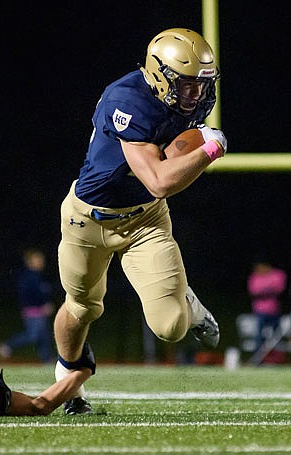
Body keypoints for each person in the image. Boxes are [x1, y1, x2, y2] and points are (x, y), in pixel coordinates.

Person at [53, 28, 226, 415]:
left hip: (145, 221)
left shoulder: (190, 103)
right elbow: (160, 179)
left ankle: (188, 303)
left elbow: (171, 159)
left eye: (201, 85)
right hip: (88, 219)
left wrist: (193, 144)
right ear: (159, 75)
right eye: (185, 85)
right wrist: (212, 147)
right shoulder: (126, 99)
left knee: (171, 327)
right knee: (82, 308)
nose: (195, 95)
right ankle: (67, 378)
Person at [0, 248, 55, 363]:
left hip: (38, 310)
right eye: (37, 259)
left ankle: (47, 359)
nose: (41, 262)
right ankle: (7, 345)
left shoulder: (37, 276)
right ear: (30, 262)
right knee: (32, 335)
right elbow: (30, 294)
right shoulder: (29, 277)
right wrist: (43, 305)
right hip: (33, 311)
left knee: (44, 336)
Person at [247, 259, 288, 356]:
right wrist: (269, 290)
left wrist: (265, 291)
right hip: (260, 311)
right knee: (259, 334)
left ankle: (278, 357)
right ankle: (257, 357)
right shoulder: (255, 277)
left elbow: (280, 290)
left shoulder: (278, 274)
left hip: (275, 310)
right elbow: (254, 292)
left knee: (277, 335)